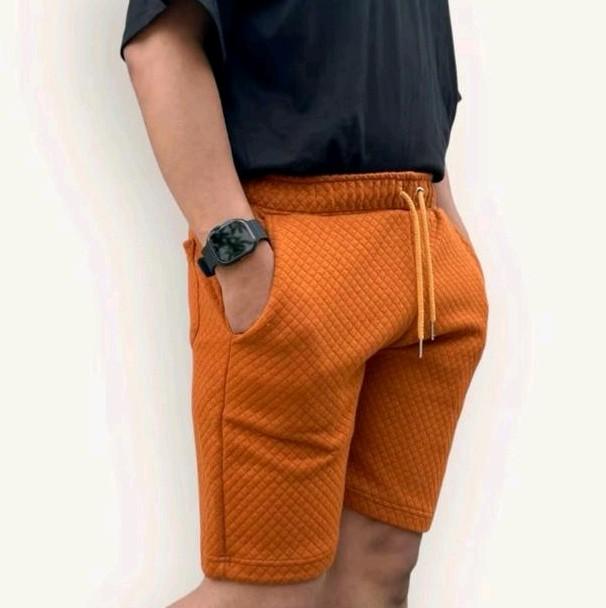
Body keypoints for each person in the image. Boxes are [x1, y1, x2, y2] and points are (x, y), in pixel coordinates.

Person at [120, 1, 488, 606]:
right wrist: (237, 252)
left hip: (426, 252)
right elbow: (158, 42)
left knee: (381, 567)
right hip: (299, 252)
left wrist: (452, 237)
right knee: (260, 592)